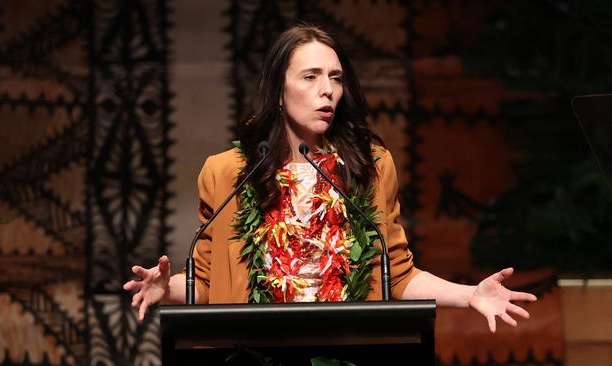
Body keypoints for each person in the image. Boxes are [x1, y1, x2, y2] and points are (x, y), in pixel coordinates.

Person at [123, 24, 536, 333]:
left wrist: (470, 295)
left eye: (335, 78)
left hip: (348, 346)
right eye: (310, 77)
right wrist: (166, 289)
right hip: (256, 349)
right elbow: (211, 281)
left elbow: (398, 275)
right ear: (279, 92)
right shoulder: (228, 172)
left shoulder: (370, 167)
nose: (328, 91)